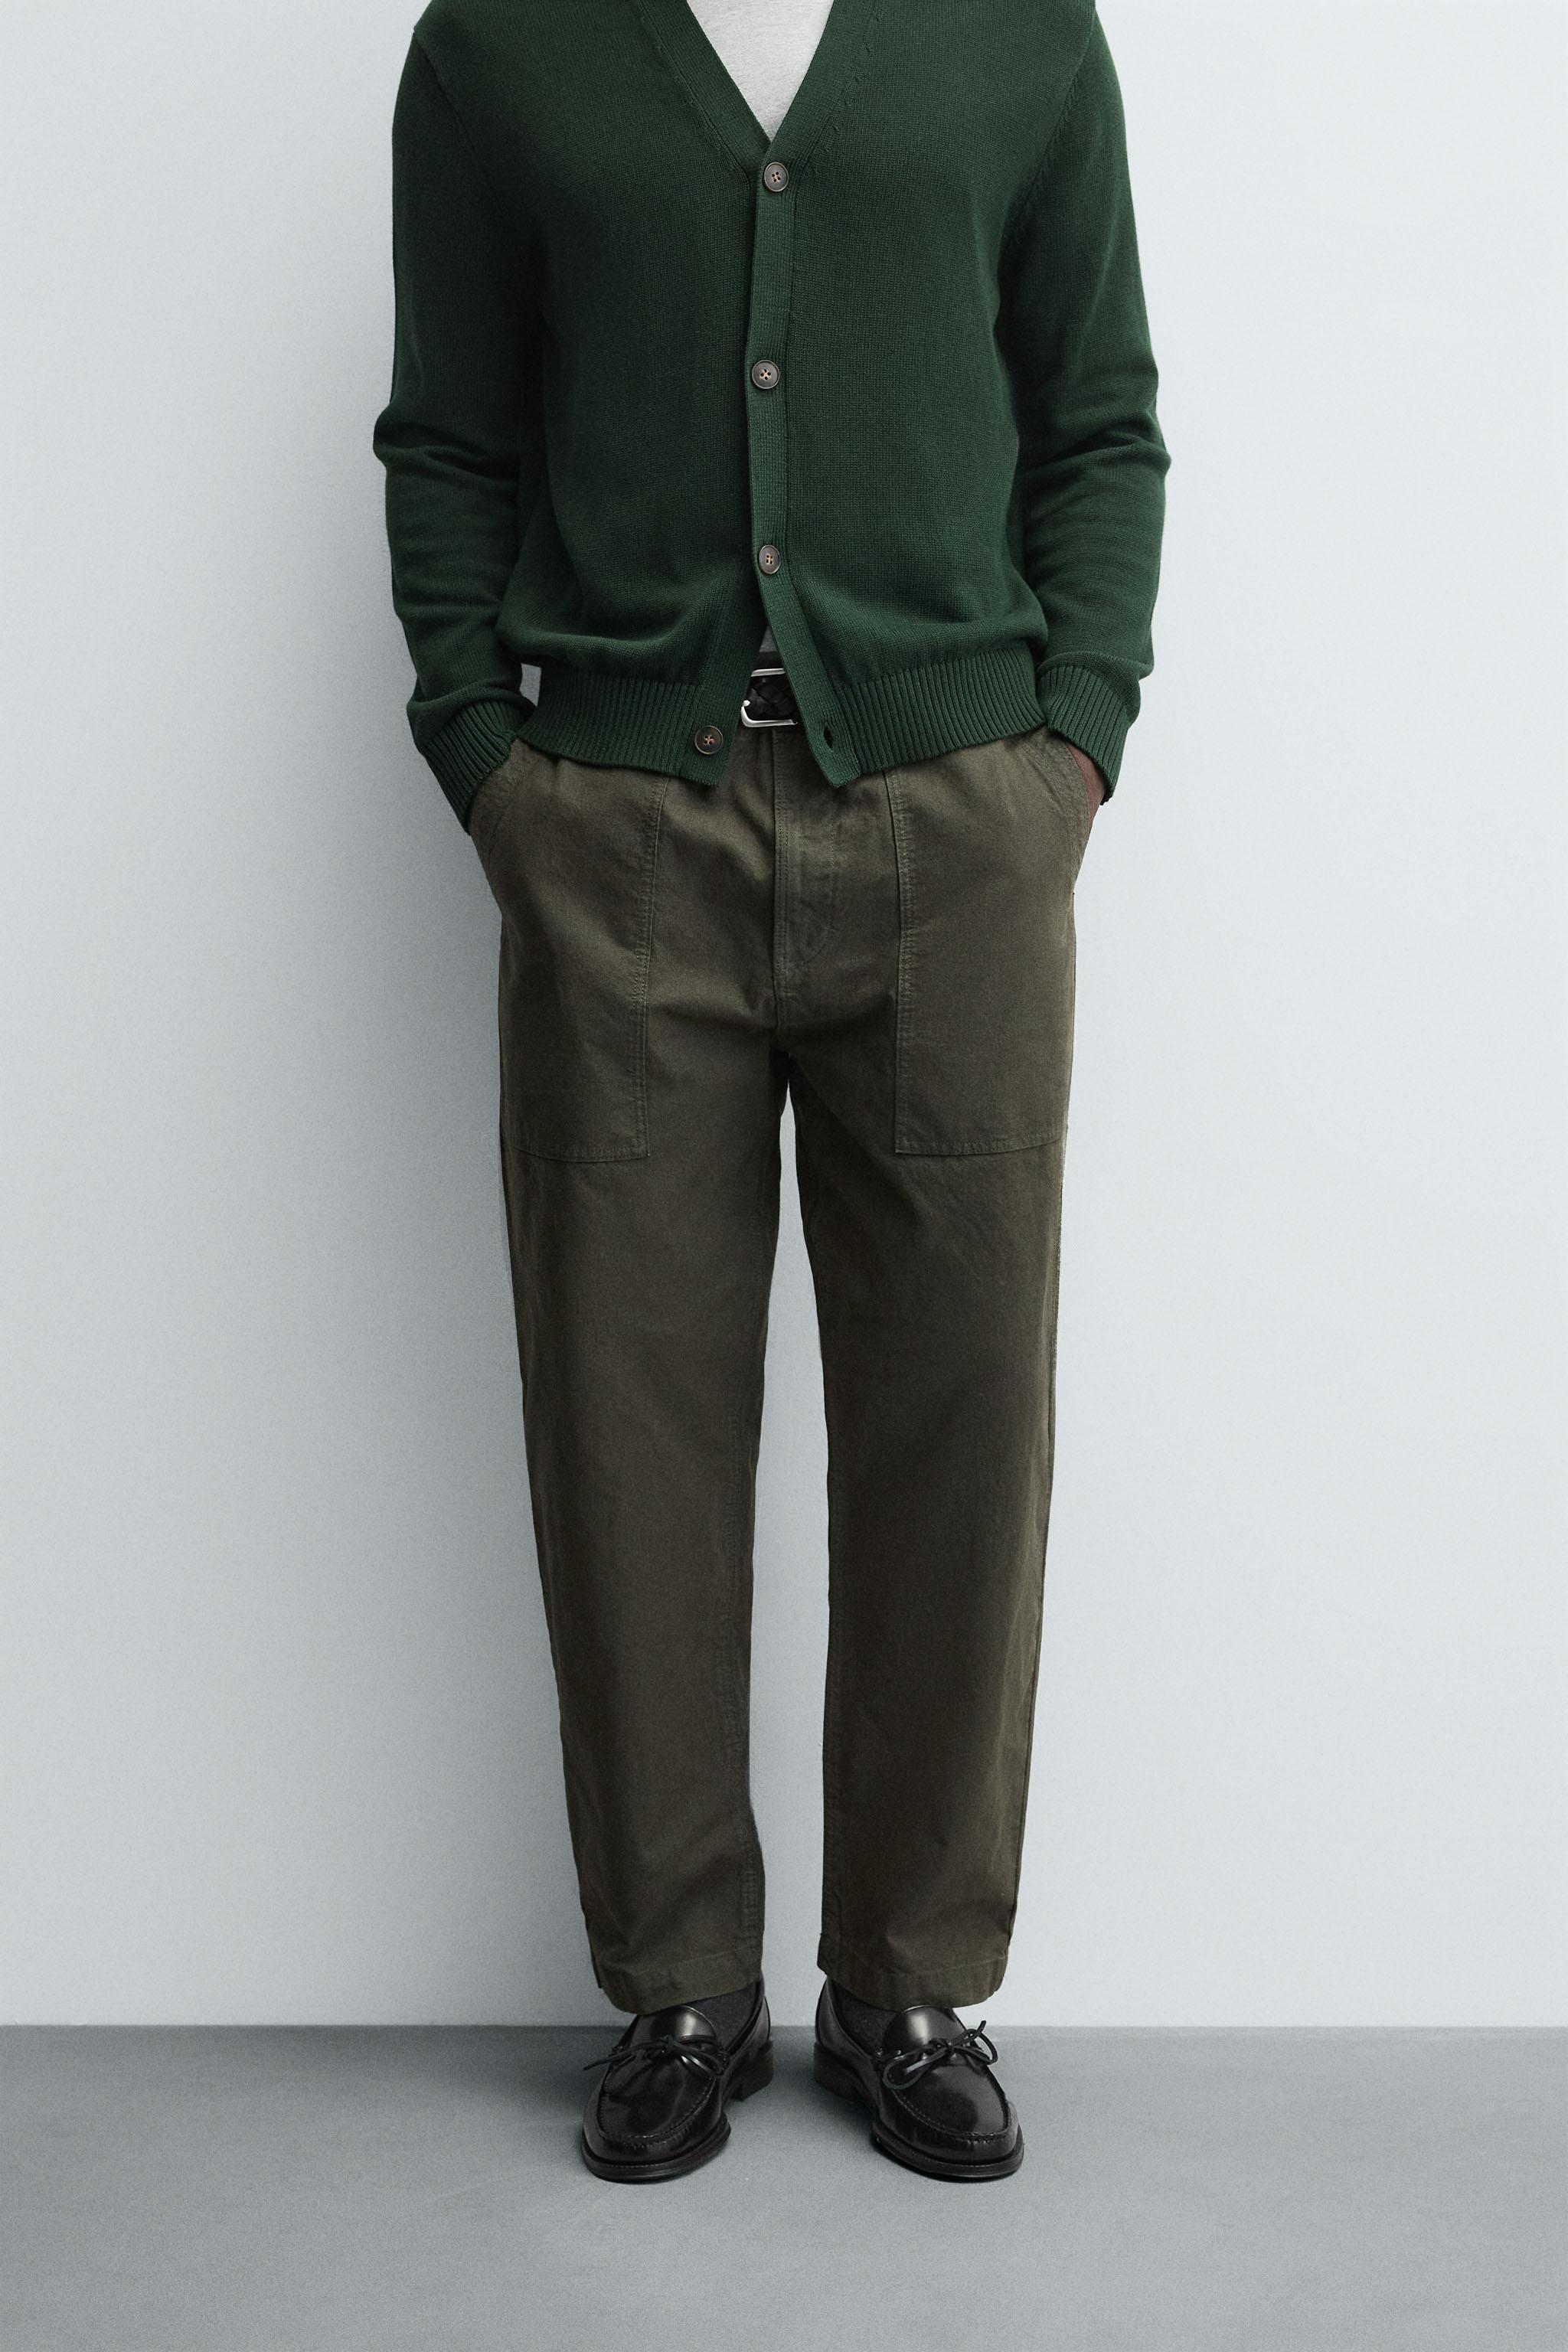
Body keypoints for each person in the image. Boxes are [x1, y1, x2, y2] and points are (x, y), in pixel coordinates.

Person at [373, 0, 1168, 2184]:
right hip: (620, 824)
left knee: (960, 1413)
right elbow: (448, 439)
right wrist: (488, 763)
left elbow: (1100, 420)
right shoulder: (502, 44)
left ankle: (913, 1982)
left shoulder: (1019, 32)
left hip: (959, 824)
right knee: (623, 1410)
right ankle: (680, 1985)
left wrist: (1075, 745)